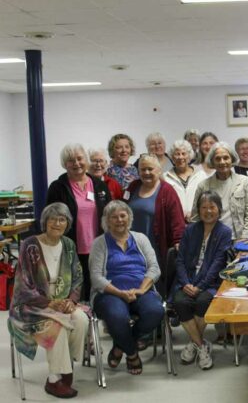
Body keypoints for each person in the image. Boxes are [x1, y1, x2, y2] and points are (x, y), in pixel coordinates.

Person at [9, 203, 89, 398]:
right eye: (52, 219)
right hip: (32, 305)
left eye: (62, 219)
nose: (57, 223)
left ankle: (66, 366)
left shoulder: (68, 245)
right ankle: (54, 379)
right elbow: (23, 284)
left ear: (67, 223)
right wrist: (49, 303)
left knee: (80, 319)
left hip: (62, 302)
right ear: (45, 222)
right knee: (57, 326)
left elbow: (78, 276)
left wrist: (71, 300)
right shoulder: (30, 245)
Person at [89, 201, 164, 376]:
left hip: (141, 289)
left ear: (129, 217)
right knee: (117, 317)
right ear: (106, 221)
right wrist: (119, 293)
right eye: (113, 217)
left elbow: (154, 268)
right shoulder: (99, 243)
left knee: (155, 312)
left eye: (123, 215)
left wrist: (141, 289)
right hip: (109, 293)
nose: (119, 220)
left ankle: (119, 346)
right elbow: (96, 278)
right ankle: (131, 354)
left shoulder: (140, 238)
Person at [172, 192, 232, 370]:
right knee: (180, 302)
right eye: (204, 207)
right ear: (198, 209)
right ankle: (201, 344)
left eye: (212, 207)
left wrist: (200, 286)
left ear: (219, 210)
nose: (208, 211)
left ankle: (193, 343)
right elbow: (180, 260)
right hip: (187, 280)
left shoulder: (224, 232)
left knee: (203, 301)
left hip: (210, 282)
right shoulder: (190, 229)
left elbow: (218, 263)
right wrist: (185, 283)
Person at [46, 143, 111, 301]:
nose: (76, 163)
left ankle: (93, 321)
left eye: (79, 158)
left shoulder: (99, 185)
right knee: (72, 292)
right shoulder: (57, 187)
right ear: (64, 164)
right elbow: (49, 220)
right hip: (69, 249)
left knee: (95, 290)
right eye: (70, 160)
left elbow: (109, 215)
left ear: (86, 160)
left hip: (98, 248)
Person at [126, 154, 185, 297]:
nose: (146, 173)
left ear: (159, 171)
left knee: (154, 282)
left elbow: (177, 218)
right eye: (142, 169)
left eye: (150, 169)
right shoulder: (133, 186)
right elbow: (122, 208)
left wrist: (178, 240)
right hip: (132, 246)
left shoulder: (167, 191)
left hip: (156, 246)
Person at [191, 142, 248, 240]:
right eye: (218, 159)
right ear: (212, 162)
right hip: (212, 241)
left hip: (239, 239)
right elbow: (195, 217)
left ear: (232, 159)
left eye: (226, 158)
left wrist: (245, 239)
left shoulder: (244, 182)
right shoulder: (203, 186)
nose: (222, 162)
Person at [163, 140, 207, 221]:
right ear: (172, 157)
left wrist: (194, 213)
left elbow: (206, 199)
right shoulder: (165, 177)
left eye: (184, 153)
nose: (180, 157)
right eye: (177, 154)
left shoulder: (201, 175)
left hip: (198, 221)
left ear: (189, 156)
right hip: (175, 222)